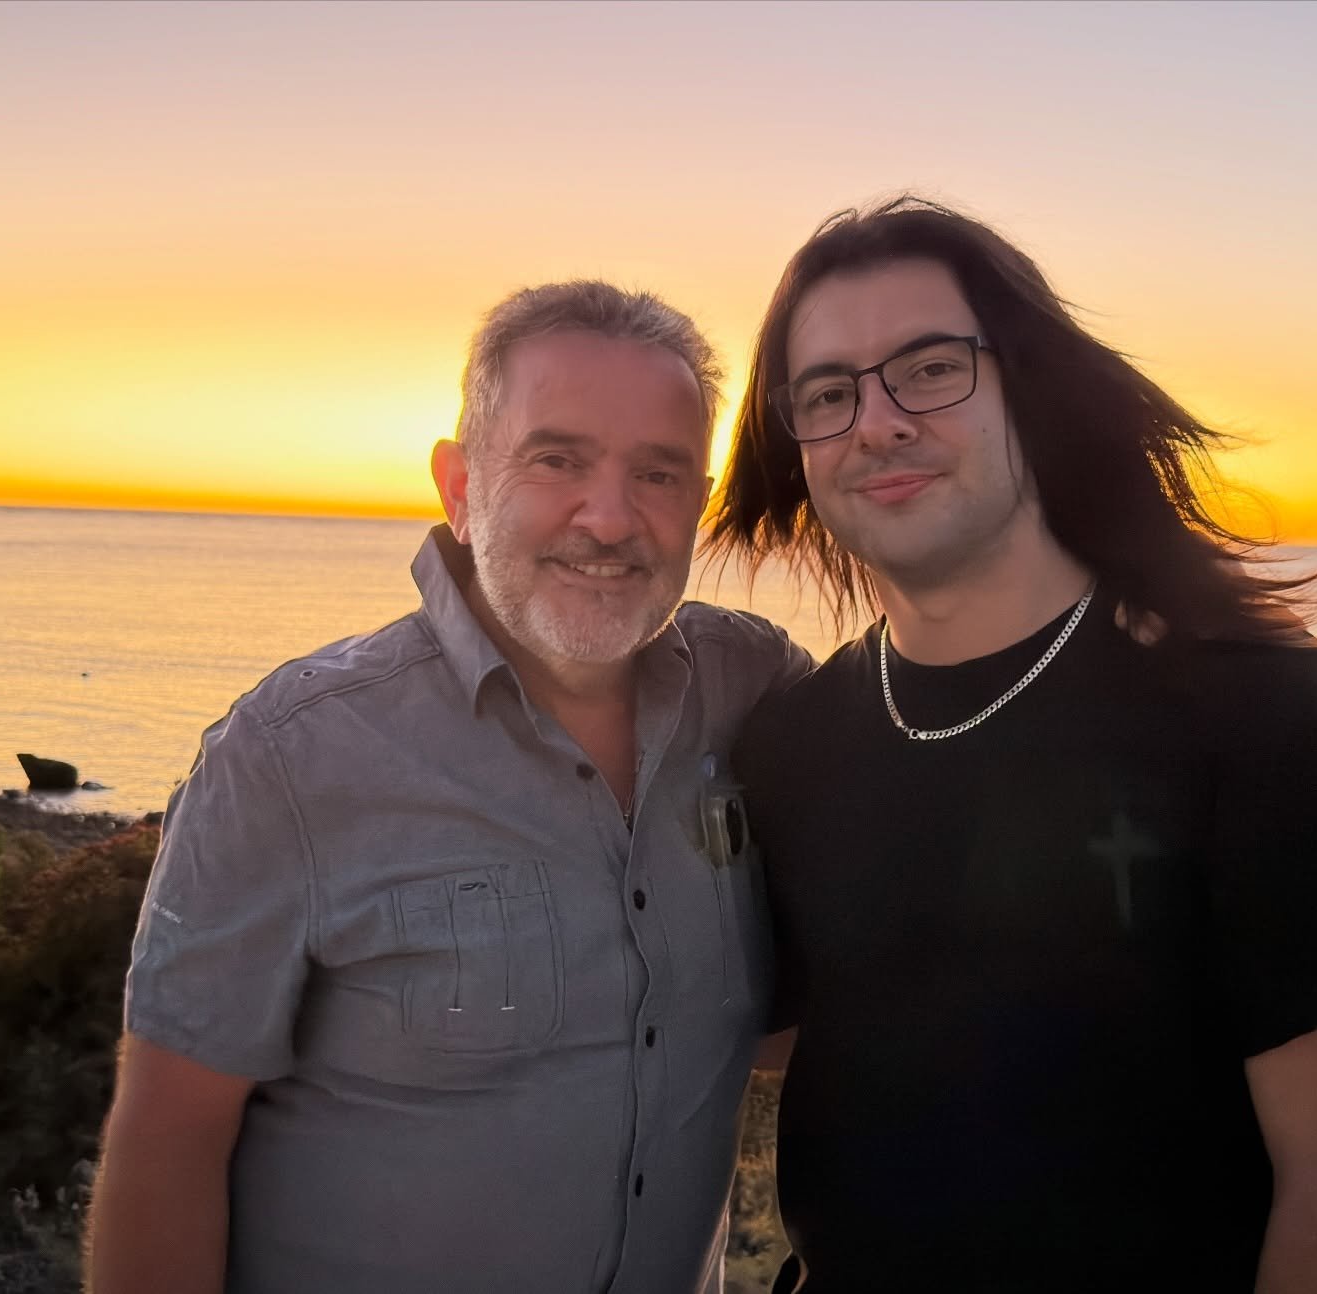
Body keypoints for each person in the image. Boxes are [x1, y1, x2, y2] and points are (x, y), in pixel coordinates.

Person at [706, 197, 1317, 1292]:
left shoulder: (1247, 705)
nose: (876, 422)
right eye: (827, 395)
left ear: (1028, 385)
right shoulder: (791, 741)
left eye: (929, 368)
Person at [86, 281, 810, 1294]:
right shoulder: (293, 754)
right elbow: (169, 1139)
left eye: (659, 472)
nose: (609, 518)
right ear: (460, 485)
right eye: (557, 459)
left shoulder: (757, 695)